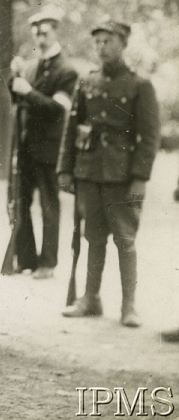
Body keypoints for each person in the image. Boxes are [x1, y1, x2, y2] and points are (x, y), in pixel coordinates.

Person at [59, 20, 160, 328]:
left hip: (123, 175)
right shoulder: (86, 82)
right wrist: (65, 168)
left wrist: (140, 178)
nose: (102, 47)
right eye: (98, 42)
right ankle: (90, 299)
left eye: (108, 41)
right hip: (89, 172)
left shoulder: (139, 85)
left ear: (123, 44)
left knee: (125, 238)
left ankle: (128, 306)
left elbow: (150, 136)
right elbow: (71, 128)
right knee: (93, 236)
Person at [9, 9, 78, 278]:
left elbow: (58, 110)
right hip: (25, 148)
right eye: (36, 31)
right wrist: (14, 80)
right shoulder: (28, 66)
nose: (40, 36)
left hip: (49, 150)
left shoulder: (67, 70)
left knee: (49, 205)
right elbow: (19, 104)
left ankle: (48, 263)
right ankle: (26, 260)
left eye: (45, 31)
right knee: (21, 204)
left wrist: (28, 91)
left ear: (55, 30)